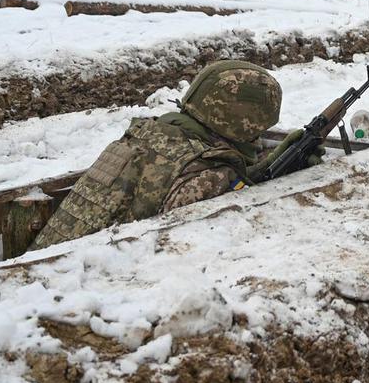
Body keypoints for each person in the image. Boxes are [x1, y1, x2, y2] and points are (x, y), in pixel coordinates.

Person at [29, 60, 311, 250]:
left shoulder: (150, 134)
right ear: (243, 120)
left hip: (48, 266)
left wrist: (265, 167)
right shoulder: (208, 174)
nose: (259, 136)